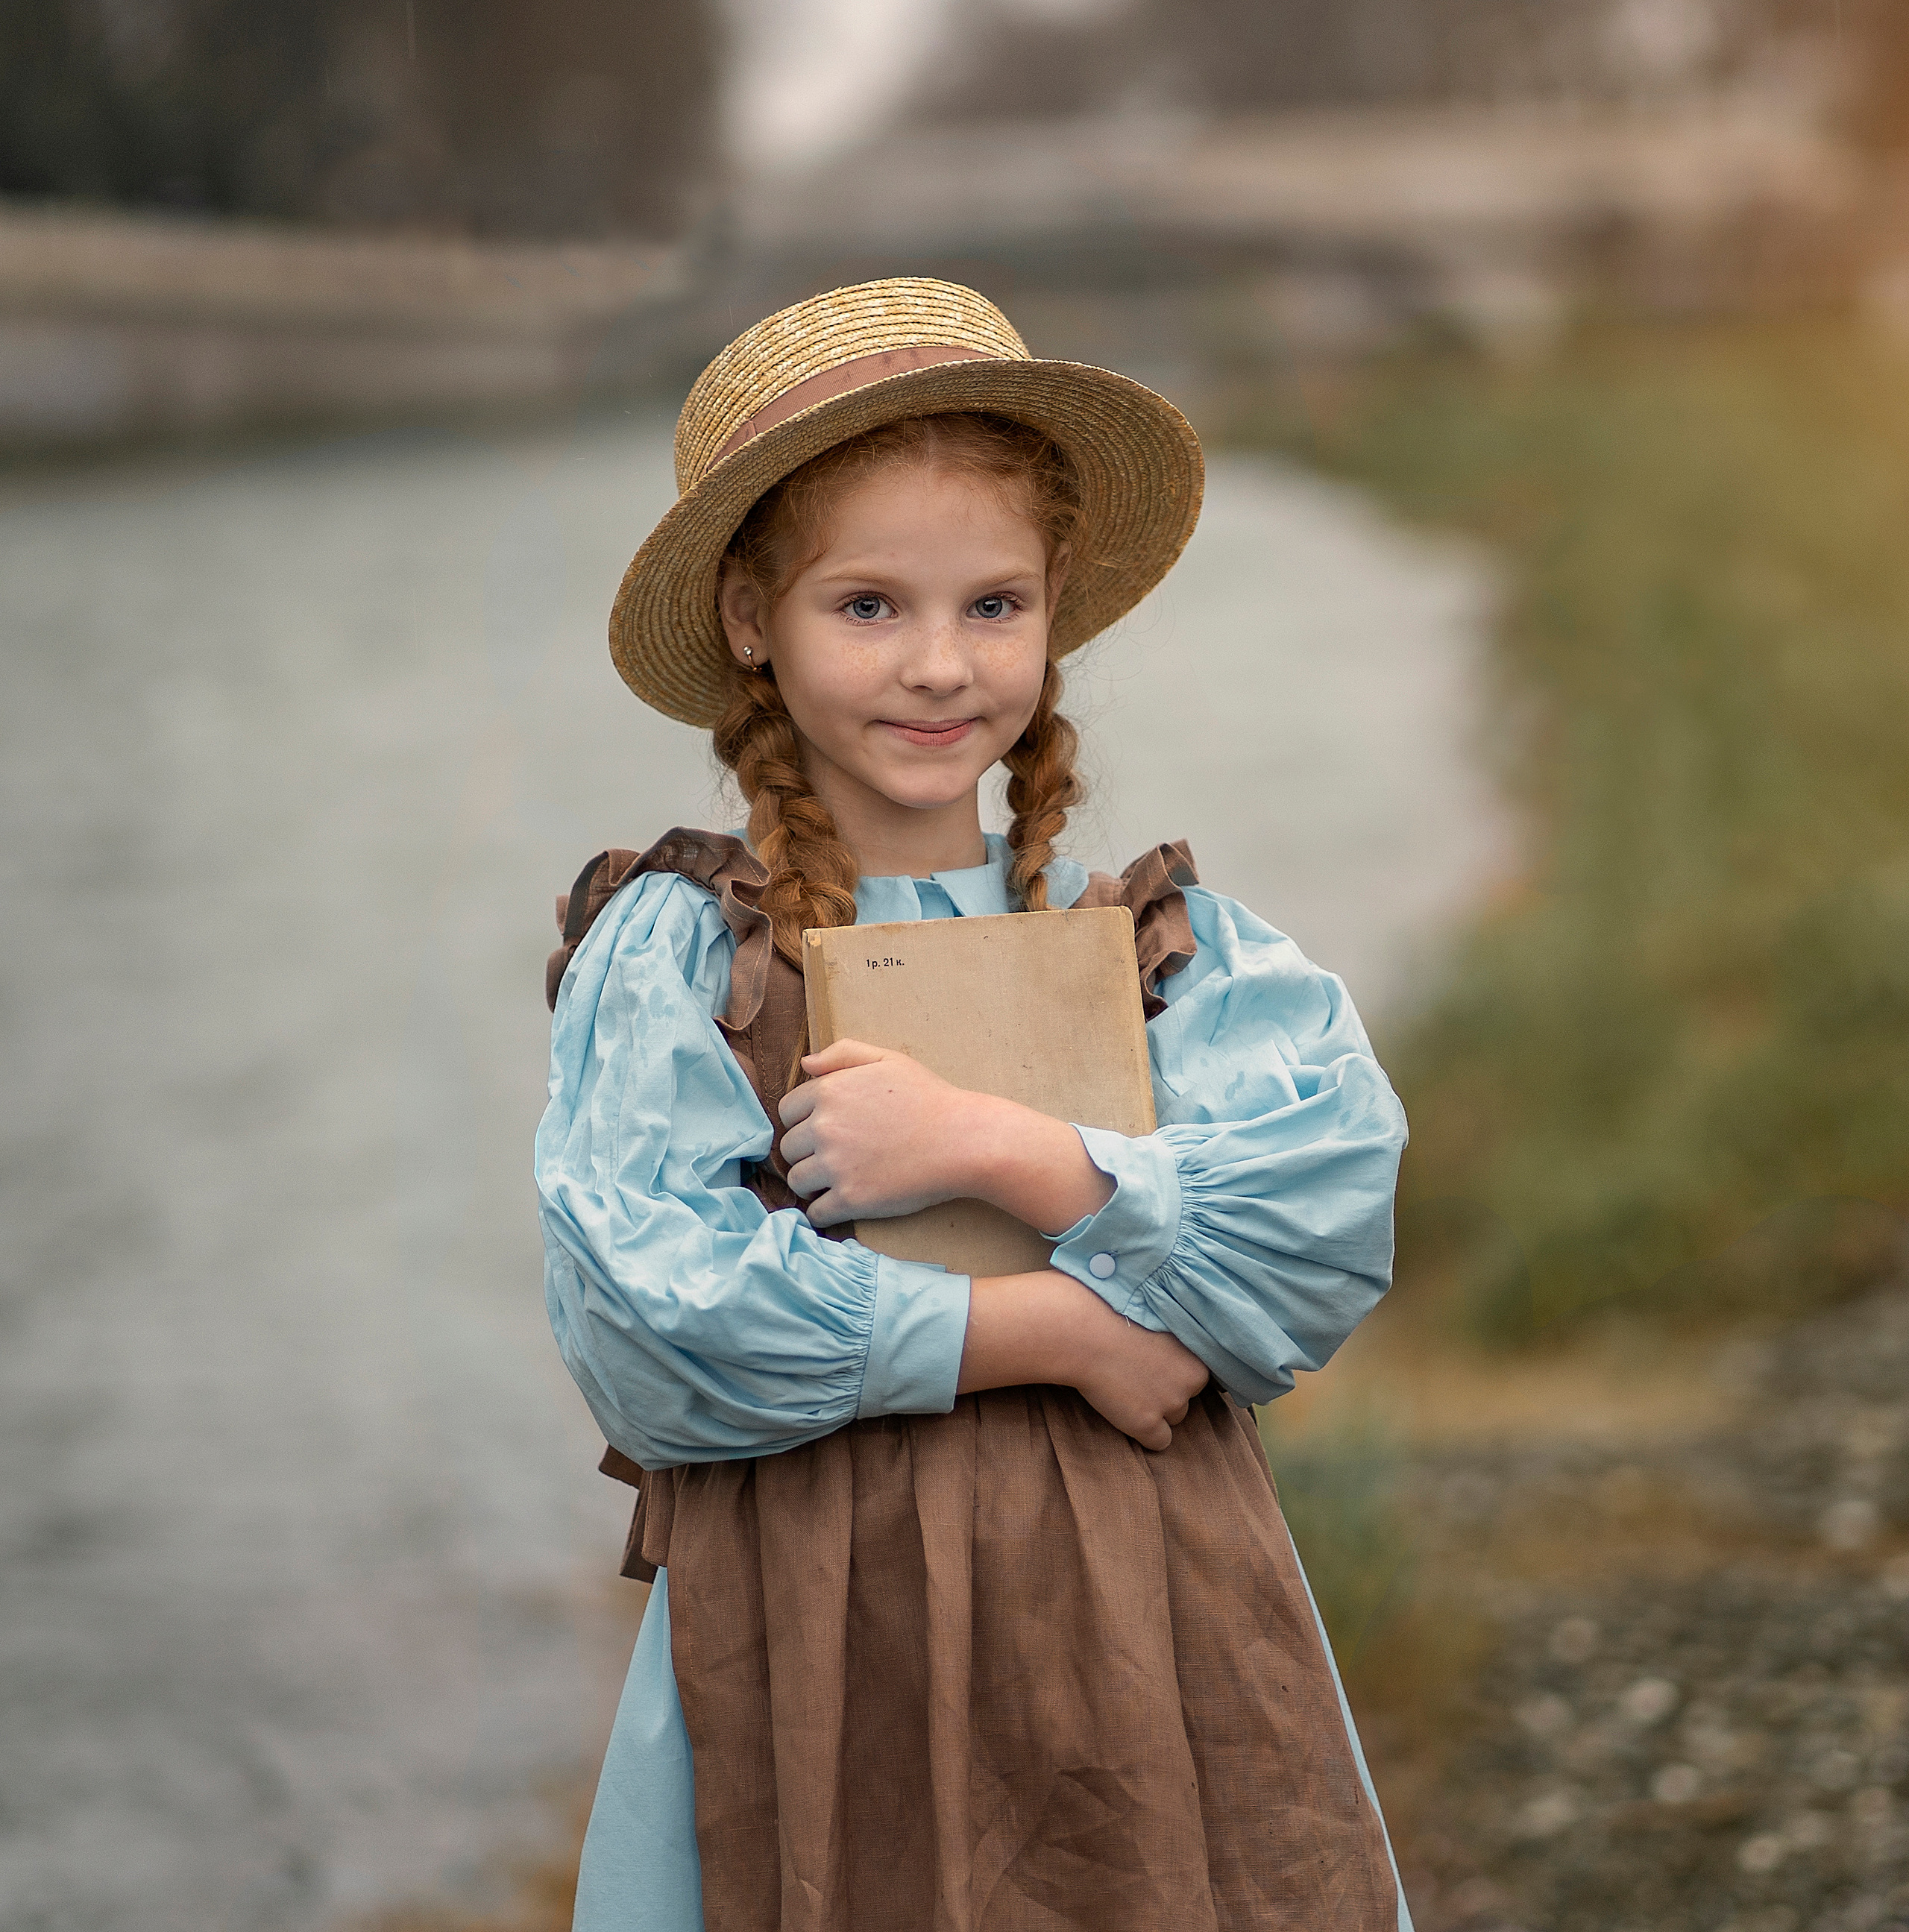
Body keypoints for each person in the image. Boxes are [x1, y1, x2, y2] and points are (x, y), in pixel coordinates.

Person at [536, 278, 1414, 1932]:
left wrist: (997, 1152)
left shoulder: (1159, 951)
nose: (939, 667)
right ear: (749, 618)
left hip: (1146, 1611)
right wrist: (1059, 1335)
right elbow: (647, 1322)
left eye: (991, 605)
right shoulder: (682, 952)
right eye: (866, 607)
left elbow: (1319, 1223)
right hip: (818, 1618)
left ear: (1052, 609)